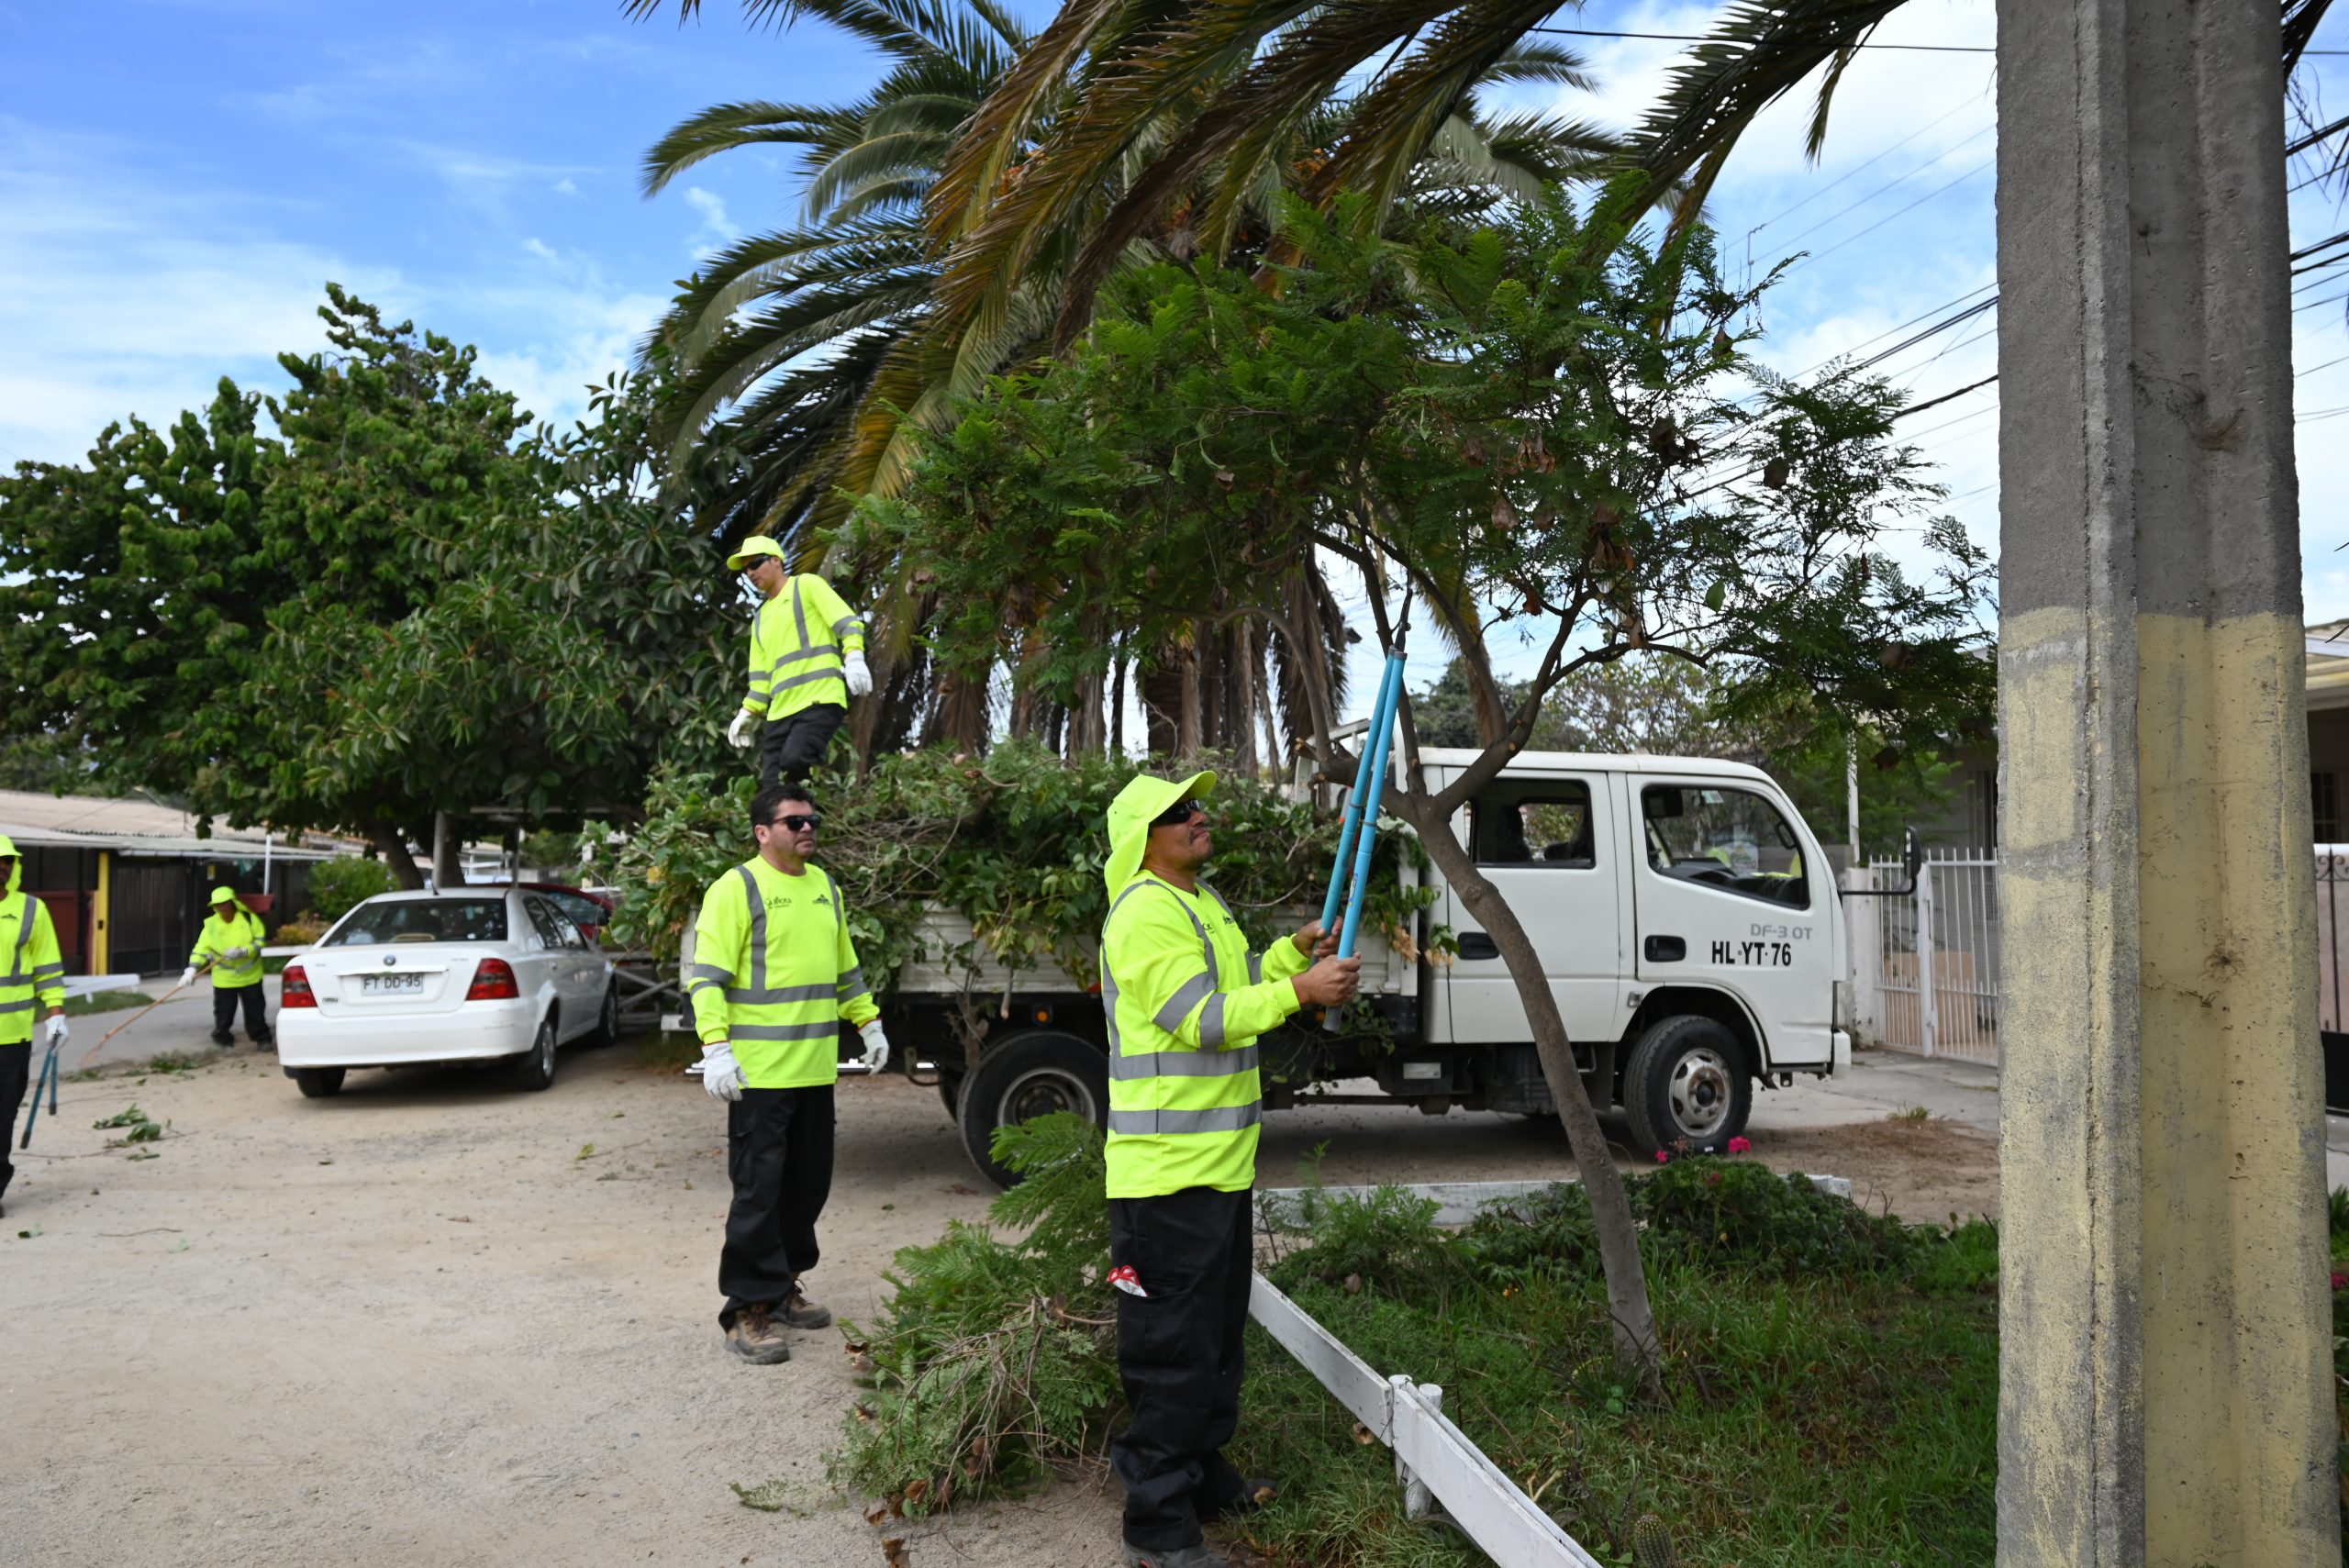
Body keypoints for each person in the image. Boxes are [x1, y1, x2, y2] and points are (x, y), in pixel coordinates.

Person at [1097, 771, 1361, 1568]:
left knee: (1212, 1345)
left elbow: (1233, 983)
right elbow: (1202, 1020)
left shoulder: (1197, 901)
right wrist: (1299, 990)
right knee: (1172, 1352)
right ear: (1144, 835)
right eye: (1179, 811)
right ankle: (1155, 1521)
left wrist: (1289, 954)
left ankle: (1200, 1472)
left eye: (1196, 805)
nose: (1198, 816)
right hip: (1166, 1179)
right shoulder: (1144, 910)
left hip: (1213, 1170)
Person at [683, 781, 890, 1364]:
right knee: (759, 1192)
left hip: (814, 1071)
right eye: (794, 821)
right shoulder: (737, 888)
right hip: (759, 1075)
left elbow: (843, 968)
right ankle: (746, 1309)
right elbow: (707, 978)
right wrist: (716, 1047)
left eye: (812, 819)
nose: (807, 828)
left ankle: (781, 1286)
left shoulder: (825, 887)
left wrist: (868, 1023)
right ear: (762, 832)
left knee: (806, 1186)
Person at [721, 536, 873, 788]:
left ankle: (812, 809)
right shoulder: (760, 619)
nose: (750, 573)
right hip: (780, 713)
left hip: (819, 700)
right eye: (746, 569)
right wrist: (746, 713)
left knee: (794, 761)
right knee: (771, 787)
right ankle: (796, 817)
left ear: (777, 561)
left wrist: (854, 656)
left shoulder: (806, 586)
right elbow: (760, 681)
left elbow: (847, 623)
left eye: (756, 564)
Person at [0, 835, 70, 1220]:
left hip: (12, 1036)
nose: (2, 866)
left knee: (3, 1116)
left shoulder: (31, 910)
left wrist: (55, 1013)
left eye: (6, 860)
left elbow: (47, 967)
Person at [181, 885, 273, 1050]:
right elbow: (200, 950)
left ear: (232, 902)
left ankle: (262, 1038)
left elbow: (260, 941)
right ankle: (223, 1041)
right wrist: (192, 969)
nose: (221, 907)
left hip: (250, 976)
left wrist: (245, 951)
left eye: (224, 903)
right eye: (217, 905)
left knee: (255, 1011)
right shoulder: (211, 926)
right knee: (224, 1013)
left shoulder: (249, 919)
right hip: (224, 979)